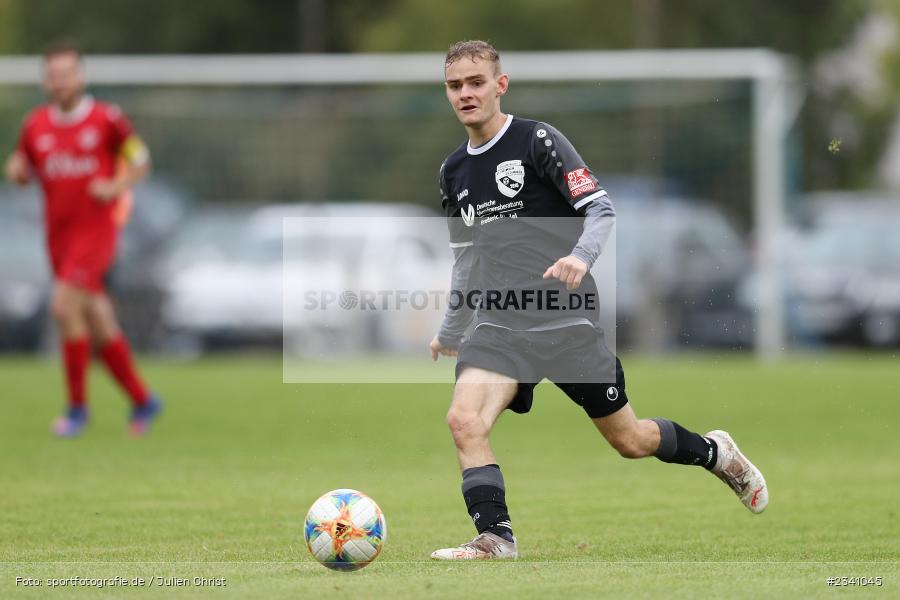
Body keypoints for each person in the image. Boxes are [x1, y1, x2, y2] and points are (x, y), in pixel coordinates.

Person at [428, 40, 767, 560]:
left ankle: (716, 453)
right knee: (463, 420)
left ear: (500, 85)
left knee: (630, 440)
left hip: (564, 321)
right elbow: (466, 259)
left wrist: (580, 257)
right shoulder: (453, 171)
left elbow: (600, 208)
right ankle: (496, 537)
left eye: (476, 82)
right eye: (455, 85)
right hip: (499, 326)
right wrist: (452, 329)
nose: (465, 93)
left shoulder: (537, 140)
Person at [4, 42, 162, 437]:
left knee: (62, 307)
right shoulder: (35, 125)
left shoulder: (107, 119)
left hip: (96, 233)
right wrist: (16, 170)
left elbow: (141, 160)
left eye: (67, 73)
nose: (60, 81)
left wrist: (115, 185)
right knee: (98, 319)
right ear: (45, 81)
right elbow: (22, 165)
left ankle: (77, 409)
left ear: (81, 76)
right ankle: (143, 399)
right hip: (58, 236)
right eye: (53, 75)